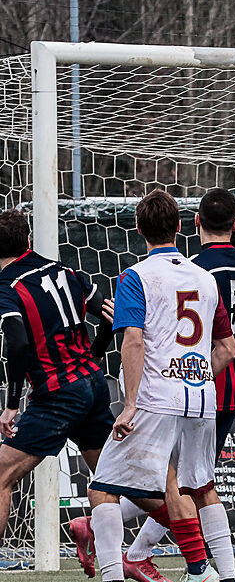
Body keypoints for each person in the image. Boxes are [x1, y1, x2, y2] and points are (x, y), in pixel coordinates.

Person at [74, 192, 235, 582]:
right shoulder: (204, 279)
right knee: (203, 488)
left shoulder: (136, 276)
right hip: (202, 398)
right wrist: (197, 375)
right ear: (180, 226)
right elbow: (228, 348)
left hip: (157, 399)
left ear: (139, 229)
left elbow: (133, 341)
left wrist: (129, 405)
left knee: (102, 488)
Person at [0, 209, 126, 541]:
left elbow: (17, 344)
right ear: (28, 239)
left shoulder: (7, 286)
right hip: (93, 384)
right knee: (114, 480)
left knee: (1, 475)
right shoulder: (65, 270)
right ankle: (183, 551)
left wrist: (11, 405)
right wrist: (95, 353)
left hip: (58, 395)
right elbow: (111, 314)